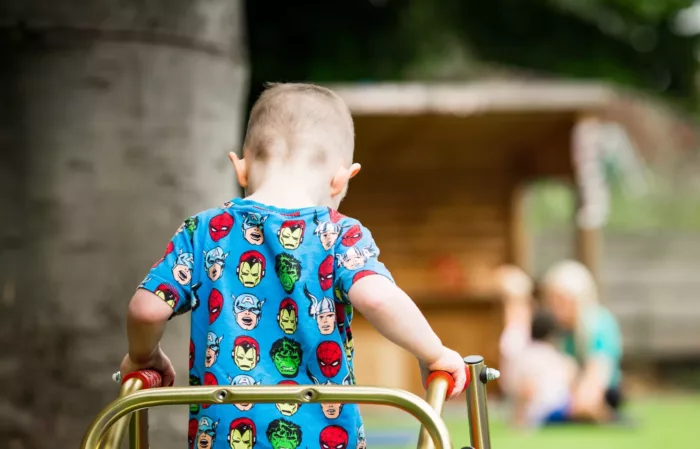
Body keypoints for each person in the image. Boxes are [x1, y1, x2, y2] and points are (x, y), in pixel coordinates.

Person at [118, 82, 467, 449]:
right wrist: (435, 353)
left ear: (241, 167)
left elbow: (146, 309)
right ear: (341, 179)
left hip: (222, 438)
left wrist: (144, 357)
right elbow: (378, 299)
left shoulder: (204, 231)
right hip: (325, 439)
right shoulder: (339, 234)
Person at [540, 260, 624, 423]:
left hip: (603, 392)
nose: (555, 306)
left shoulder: (599, 324)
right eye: (552, 299)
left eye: (562, 300)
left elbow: (597, 374)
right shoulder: (553, 329)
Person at [510, 309, 578, 428]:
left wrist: (519, 419)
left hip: (541, 413)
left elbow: (526, 390)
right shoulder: (560, 357)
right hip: (562, 408)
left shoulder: (526, 356)